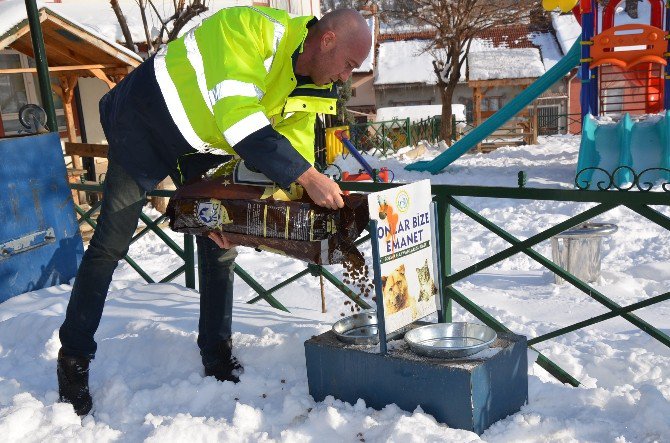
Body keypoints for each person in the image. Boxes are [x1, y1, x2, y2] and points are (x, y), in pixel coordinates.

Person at [56, 6, 372, 416]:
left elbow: (288, 154)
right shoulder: (251, 30)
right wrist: (310, 178)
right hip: (145, 124)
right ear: (327, 40)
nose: (347, 78)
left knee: (220, 244)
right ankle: (74, 357)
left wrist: (299, 196)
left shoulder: (315, 86)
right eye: (348, 65)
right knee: (110, 245)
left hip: (202, 149)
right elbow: (241, 121)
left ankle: (216, 352)